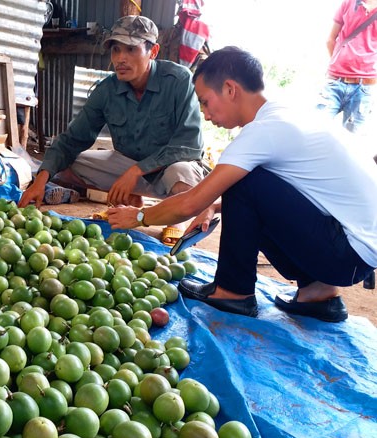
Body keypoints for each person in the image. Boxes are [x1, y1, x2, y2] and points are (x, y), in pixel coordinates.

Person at [107, 46, 377, 322]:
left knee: (240, 179)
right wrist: (216, 206)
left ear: (230, 89)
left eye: (206, 102)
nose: (206, 115)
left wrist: (139, 216)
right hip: (357, 253)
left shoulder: (263, 131)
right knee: (242, 182)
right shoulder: (287, 113)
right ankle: (318, 293)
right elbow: (287, 196)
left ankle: (232, 291)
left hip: (346, 255)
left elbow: (190, 202)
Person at [19, 15, 208, 245]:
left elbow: (189, 145)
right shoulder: (107, 90)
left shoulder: (178, 81)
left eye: (130, 49)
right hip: (129, 166)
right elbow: (71, 140)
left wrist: (137, 171)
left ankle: (176, 220)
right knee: (67, 163)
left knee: (182, 173)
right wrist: (41, 179)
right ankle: (130, 201)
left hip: (169, 170)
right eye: (116, 50)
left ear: (153, 51)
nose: (120, 58)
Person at [316, 0, 377, 134]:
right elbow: (330, 40)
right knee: (314, 133)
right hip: (334, 82)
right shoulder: (348, 3)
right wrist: (338, 64)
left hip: (364, 89)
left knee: (350, 143)